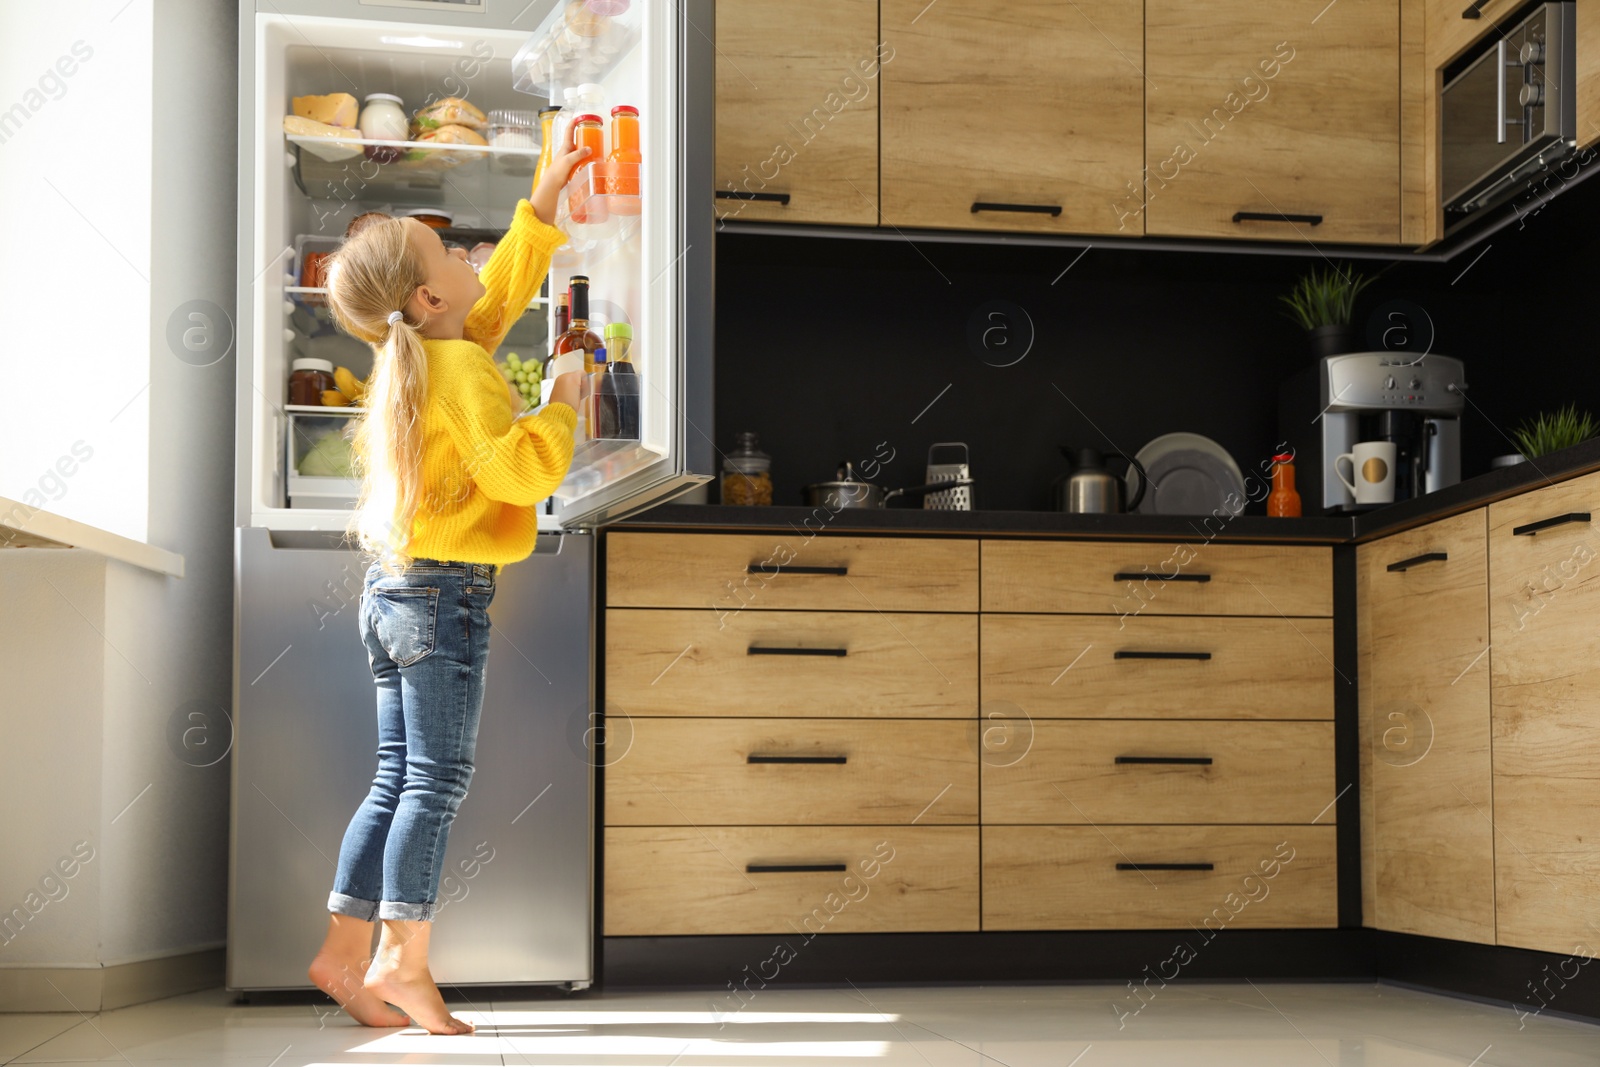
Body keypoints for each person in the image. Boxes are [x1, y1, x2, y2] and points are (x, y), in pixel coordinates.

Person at [305, 141, 592, 1035]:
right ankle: (405, 959)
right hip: (442, 599)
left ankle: (342, 953)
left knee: (395, 777)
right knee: (436, 781)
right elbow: (513, 472)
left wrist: (538, 209)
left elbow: (491, 300)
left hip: (392, 594)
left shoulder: (424, 354)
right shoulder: (463, 366)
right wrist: (564, 404)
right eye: (450, 256)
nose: (469, 260)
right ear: (428, 299)